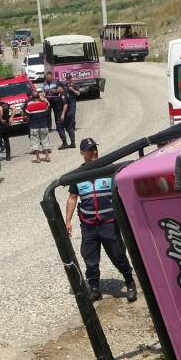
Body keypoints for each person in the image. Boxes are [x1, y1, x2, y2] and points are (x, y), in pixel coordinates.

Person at [64, 138, 137, 302]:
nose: (95, 152)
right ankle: (95, 288)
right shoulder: (78, 175)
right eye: (90, 150)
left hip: (109, 222)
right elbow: (72, 197)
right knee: (89, 257)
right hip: (89, 225)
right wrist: (67, 221)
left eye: (95, 148)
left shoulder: (108, 170)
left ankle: (130, 282)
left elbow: (121, 192)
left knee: (118, 254)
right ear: (83, 153)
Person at [25, 91, 52, 163]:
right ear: (39, 97)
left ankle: (38, 158)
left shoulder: (29, 106)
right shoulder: (43, 104)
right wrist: (44, 99)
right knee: (45, 140)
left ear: (32, 98)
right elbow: (48, 107)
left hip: (34, 126)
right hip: (43, 125)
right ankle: (47, 157)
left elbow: (27, 118)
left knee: (35, 142)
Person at [57, 79, 79, 149]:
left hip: (64, 114)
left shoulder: (63, 94)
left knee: (60, 127)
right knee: (69, 128)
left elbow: (65, 104)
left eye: (57, 88)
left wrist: (63, 114)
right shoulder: (65, 92)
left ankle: (64, 143)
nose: (56, 89)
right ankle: (73, 143)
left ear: (60, 87)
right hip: (68, 113)